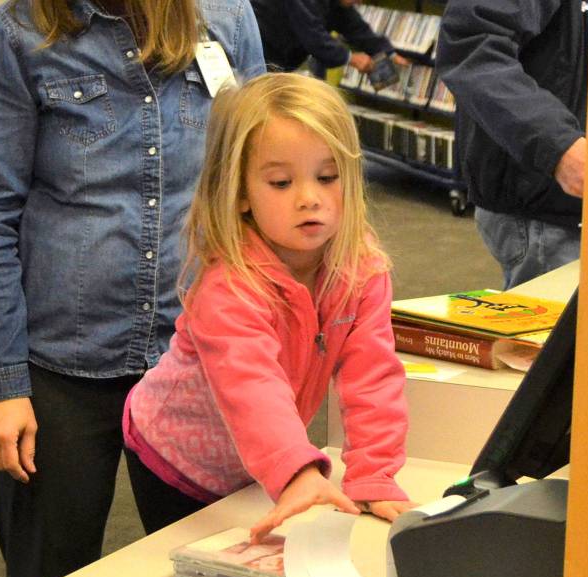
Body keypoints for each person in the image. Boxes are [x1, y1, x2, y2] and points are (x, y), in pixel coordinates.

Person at [0, 0, 265, 577]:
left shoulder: (226, 20)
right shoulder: (20, 34)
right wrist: (2, 385)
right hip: (61, 365)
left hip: (200, 359)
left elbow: (255, 185)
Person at [123, 72, 415, 541]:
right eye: (281, 182)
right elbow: (251, 385)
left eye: (328, 176)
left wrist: (373, 475)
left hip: (265, 461)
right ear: (239, 193)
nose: (309, 199)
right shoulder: (229, 287)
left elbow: (372, 378)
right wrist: (297, 473)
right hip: (179, 459)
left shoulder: (361, 270)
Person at [436, 0, 588, 289]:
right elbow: (472, 44)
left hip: (579, 210)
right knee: (558, 331)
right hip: (549, 212)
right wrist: (558, 147)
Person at [249, 0, 405, 75]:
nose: (360, 1)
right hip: (259, 54)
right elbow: (313, 36)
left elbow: (357, 28)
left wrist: (389, 52)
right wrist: (350, 58)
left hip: (282, 60)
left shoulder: (338, 4)